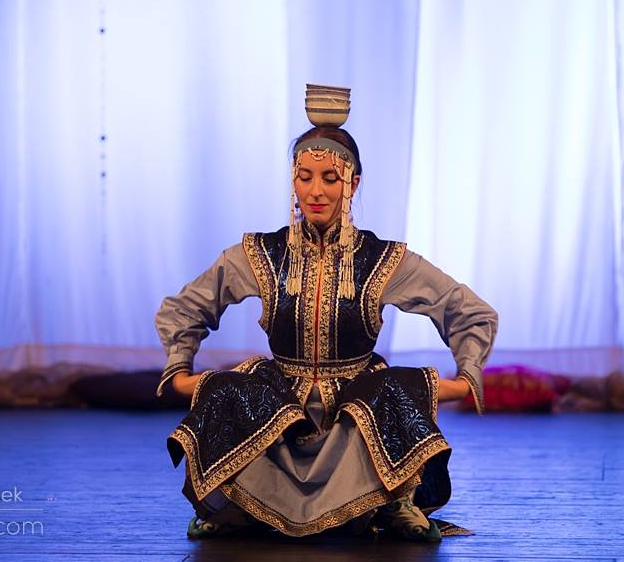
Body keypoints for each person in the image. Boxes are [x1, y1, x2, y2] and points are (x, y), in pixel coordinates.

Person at [155, 85, 497, 542]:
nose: (315, 191)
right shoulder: (260, 253)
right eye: (305, 177)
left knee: (396, 386)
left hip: (354, 416)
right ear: (293, 181)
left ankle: (392, 498)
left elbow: (468, 311)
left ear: (352, 184)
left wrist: (466, 376)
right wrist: (180, 370)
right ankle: (241, 505)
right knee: (228, 388)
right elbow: (185, 307)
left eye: (330, 179)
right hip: (280, 410)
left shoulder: (383, 260)